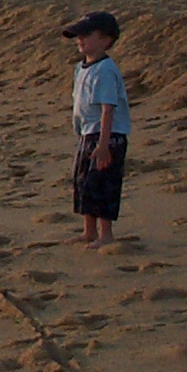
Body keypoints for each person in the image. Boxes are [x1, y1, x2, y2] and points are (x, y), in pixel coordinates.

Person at [62, 12, 132, 249]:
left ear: (105, 40)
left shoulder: (105, 70)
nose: (80, 40)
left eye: (86, 35)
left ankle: (106, 233)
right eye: (78, 36)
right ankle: (88, 230)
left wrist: (103, 145)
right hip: (88, 134)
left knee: (103, 182)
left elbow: (108, 110)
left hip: (107, 136)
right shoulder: (82, 68)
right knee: (84, 182)